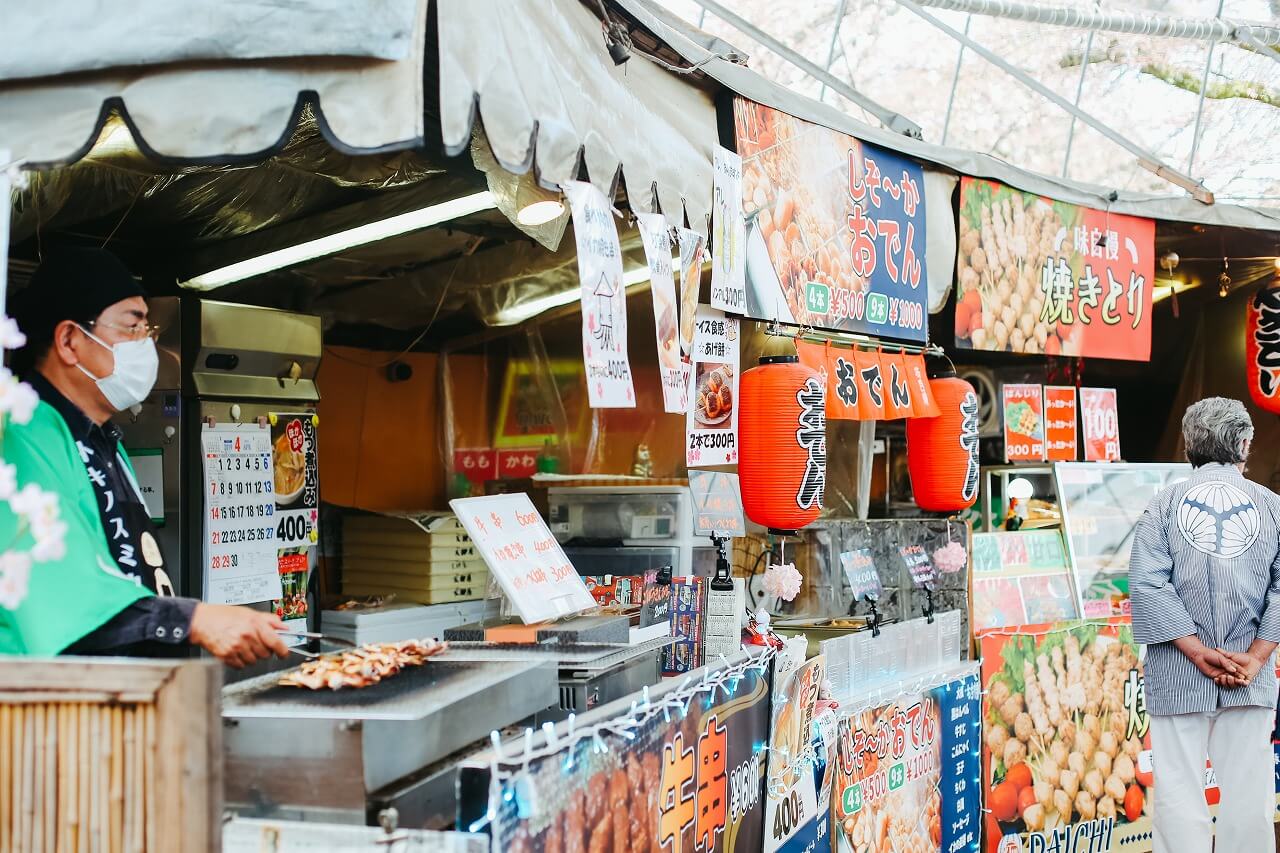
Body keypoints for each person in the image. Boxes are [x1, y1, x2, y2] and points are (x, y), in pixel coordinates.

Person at [0, 247, 289, 667]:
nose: (146, 346)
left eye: (147, 329)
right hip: (45, 707)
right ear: (69, 341)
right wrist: (193, 619)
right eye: (132, 327)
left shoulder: (106, 440)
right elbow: (60, 590)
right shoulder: (23, 434)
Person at [1129, 397, 1280, 853]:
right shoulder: (1273, 507)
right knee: (1250, 798)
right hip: (1248, 681)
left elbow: (1147, 585)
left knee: (1177, 796)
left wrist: (1197, 652)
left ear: (1188, 448)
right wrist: (1254, 658)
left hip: (1178, 676)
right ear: (1244, 443)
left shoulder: (1162, 505)